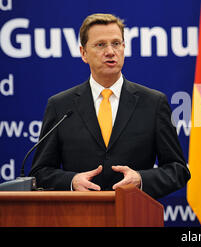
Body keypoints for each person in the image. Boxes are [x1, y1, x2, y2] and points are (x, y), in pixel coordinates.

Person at [30, 13, 190, 199]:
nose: (110, 51)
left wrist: (140, 179)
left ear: (124, 47)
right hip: (80, 216)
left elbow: (178, 170)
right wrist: (71, 182)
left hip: (134, 215)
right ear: (83, 53)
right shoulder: (60, 105)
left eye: (116, 43)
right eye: (100, 45)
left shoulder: (153, 103)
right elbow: (40, 172)